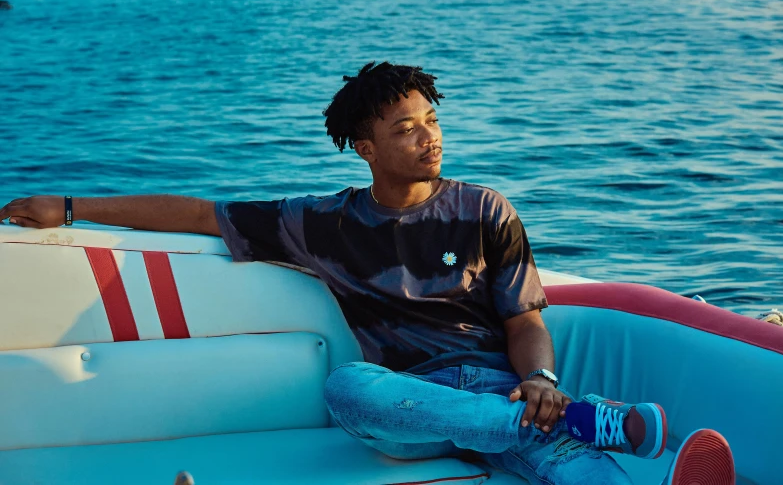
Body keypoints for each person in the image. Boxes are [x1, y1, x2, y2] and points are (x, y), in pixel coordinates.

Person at [0, 62, 735, 485]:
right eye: (405, 129)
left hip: (494, 386)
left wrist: (539, 382)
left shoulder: (484, 209)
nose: (427, 139)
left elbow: (524, 319)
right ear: (363, 147)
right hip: (403, 405)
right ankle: (565, 423)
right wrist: (70, 205)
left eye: (432, 121)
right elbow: (197, 214)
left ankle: (574, 434)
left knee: (554, 455)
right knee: (347, 387)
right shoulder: (319, 222)